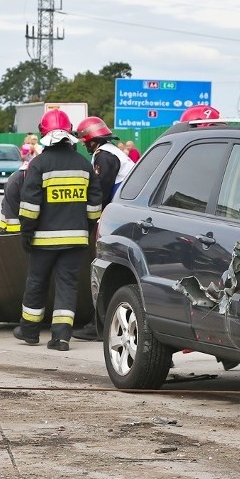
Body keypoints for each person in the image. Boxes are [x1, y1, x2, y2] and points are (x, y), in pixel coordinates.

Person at [13, 110, 102, 351]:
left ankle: (29, 331)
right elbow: (95, 207)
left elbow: (30, 206)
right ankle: (61, 337)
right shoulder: (84, 164)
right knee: (67, 286)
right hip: (76, 240)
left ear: (44, 133)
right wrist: (87, 227)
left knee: (37, 283)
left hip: (43, 240)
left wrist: (26, 233)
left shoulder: (38, 164)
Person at [70, 116, 136, 341]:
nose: (84, 146)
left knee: (102, 270)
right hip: (124, 216)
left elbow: (99, 192)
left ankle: (98, 324)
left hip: (116, 220)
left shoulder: (104, 156)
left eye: (84, 141)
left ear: (91, 140)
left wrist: (89, 221)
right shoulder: (113, 153)